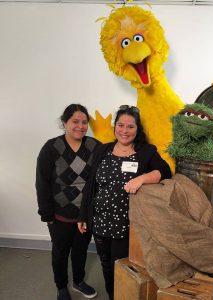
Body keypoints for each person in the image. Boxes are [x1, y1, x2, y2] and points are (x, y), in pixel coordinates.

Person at [77, 105, 172, 300]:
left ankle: (124, 295)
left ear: (137, 130)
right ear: (115, 127)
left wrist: (141, 179)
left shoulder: (145, 151)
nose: (124, 131)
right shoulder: (103, 149)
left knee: (124, 266)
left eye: (130, 126)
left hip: (128, 224)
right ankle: (113, 296)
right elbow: (91, 184)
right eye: (121, 125)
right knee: (106, 264)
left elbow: (164, 171)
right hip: (101, 220)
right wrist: (83, 215)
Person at [36, 104, 100, 300]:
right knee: (60, 251)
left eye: (84, 122)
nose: (80, 126)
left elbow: (101, 178)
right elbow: (42, 182)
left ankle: (78, 281)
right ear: (64, 123)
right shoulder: (51, 147)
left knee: (81, 250)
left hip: (85, 213)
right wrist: (46, 213)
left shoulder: (95, 146)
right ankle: (61, 286)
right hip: (59, 213)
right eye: (75, 121)